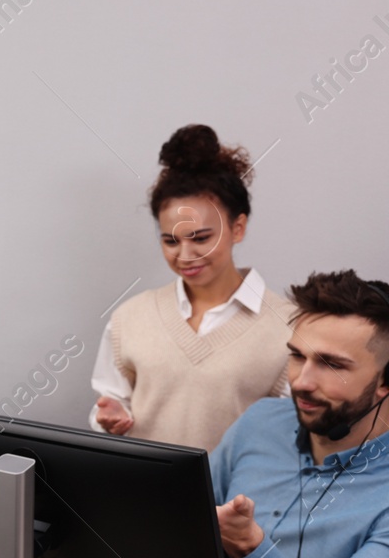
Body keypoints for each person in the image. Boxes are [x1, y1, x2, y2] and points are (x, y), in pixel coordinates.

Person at [212, 270, 389, 558]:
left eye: (331, 364)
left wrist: (249, 552)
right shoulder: (260, 423)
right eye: (297, 355)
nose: (301, 381)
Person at [91, 124, 292, 452]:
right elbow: (111, 403)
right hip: (142, 497)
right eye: (170, 240)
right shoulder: (130, 318)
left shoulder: (289, 326)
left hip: (238, 500)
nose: (185, 256)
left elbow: (292, 439)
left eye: (201, 238)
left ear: (237, 227)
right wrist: (111, 417)